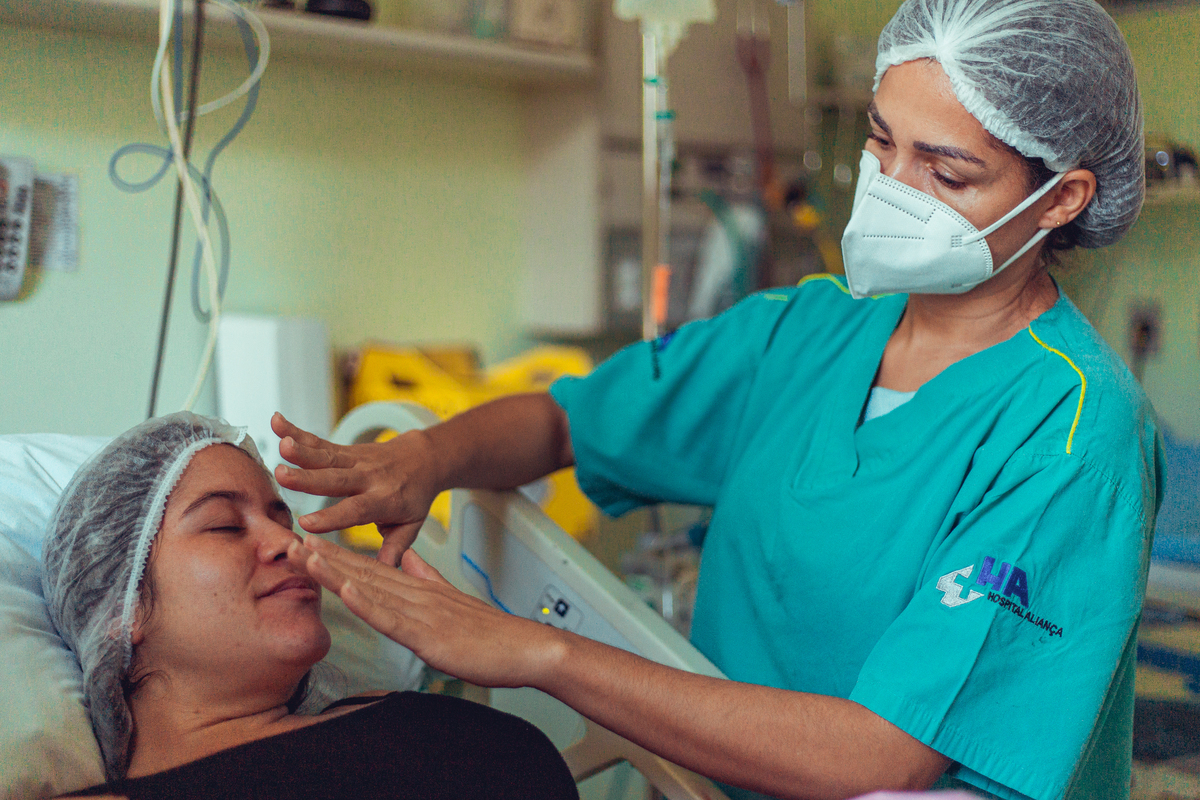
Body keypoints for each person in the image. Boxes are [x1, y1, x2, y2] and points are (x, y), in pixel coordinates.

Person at [272, 1, 1164, 798]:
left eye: (947, 172)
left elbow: (880, 757)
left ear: (1062, 199)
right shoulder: (806, 329)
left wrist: (538, 652)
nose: (893, 187)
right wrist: (425, 458)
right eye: (881, 140)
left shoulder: (1072, 429)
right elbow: (567, 419)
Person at [42, 412, 578, 800]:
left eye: (283, 520)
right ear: (122, 611)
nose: (289, 543)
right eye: (225, 526)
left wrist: (549, 655)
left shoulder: (417, 727)